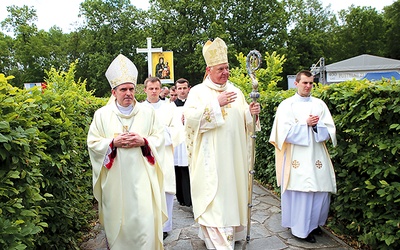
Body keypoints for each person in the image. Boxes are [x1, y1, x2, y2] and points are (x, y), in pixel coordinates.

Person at [183, 37, 261, 249]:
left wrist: (251, 113)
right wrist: (215, 105)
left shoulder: (237, 91)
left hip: (233, 160)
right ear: (209, 70)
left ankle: (230, 234)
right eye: (221, 69)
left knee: (231, 198)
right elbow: (190, 120)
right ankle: (218, 240)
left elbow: (245, 121)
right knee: (214, 201)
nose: (225, 72)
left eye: (227, 68)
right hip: (211, 161)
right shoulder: (198, 92)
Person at [87, 54, 167, 249]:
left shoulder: (148, 113)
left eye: (131, 89)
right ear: (113, 92)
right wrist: (112, 143)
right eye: (123, 89)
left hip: (143, 182)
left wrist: (144, 141)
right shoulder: (102, 115)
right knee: (119, 224)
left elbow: (160, 138)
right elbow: (93, 143)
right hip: (115, 183)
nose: (128, 93)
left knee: (144, 223)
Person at [268, 70, 337, 243]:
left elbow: (330, 130)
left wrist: (317, 126)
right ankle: (300, 229)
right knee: (302, 192)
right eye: (305, 83)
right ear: (296, 83)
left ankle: (314, 225)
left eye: (311, 83)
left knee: (320, 191)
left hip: (317, 154)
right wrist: (304, 124)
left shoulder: (320, 104)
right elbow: (282, 133)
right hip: (296, 156)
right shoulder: (287, 105)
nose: (308, 86)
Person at [143, 76, 184, 240]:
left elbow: (177, 130)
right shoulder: (138, 109)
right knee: (147, 191)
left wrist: (157, 136)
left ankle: (165, 227)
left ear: (160, 89)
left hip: (165, 155)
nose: (153, 91)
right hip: (145, 156)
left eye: (156, 88)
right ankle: (148, 225)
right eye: (150, 88)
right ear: (145, 89)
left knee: (165, 190)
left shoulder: (170, 108)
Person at [173, 78, 192, 207]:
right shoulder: (170, 106)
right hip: (176, 142)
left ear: (188, 89)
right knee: (178, 170)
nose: (182, 91)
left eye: (184, 88)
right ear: (176, 90)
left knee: (189, 170)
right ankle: (180, 197)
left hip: (190, 141)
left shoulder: (193, 105)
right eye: (179, 88)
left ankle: (190, 198)